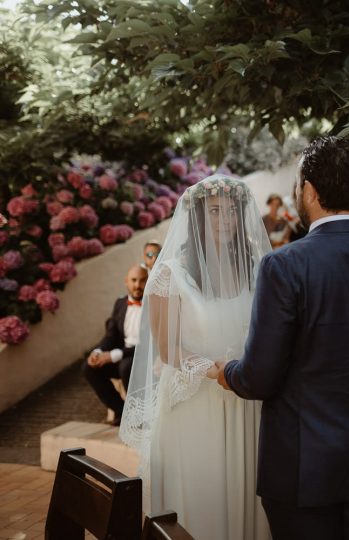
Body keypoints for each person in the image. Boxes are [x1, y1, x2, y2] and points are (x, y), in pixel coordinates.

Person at [210, 137, 349, 539]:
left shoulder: (282, 266)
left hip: (303, 469)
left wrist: (227, 372)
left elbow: (259, 378)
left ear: (308, 190)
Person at [119, 175, 272, 539]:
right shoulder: (169, 275)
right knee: (204, 497)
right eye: (215, 212)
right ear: (198, 217)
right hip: (197, 402)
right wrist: (216, 372)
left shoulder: (257, 267)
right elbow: (168, 349)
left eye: (231, 212)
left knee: (244, 487)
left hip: (245, 401)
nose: (224, 221)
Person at [84, 264, 148, 425]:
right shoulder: (120, 303)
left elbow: (149, 343)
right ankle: (123, 413)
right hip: (124, 353)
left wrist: (113, 355)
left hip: (145, 357)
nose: (137, 285)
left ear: (149, 282)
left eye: (142, 281)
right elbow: (111, 335)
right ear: (126, 282)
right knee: (89, 368)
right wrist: (98, 351)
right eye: (133, 280)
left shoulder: (155, 305)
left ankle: (138, 418)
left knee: (126, 366)